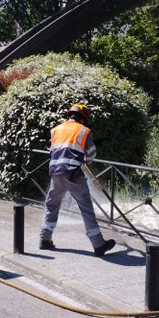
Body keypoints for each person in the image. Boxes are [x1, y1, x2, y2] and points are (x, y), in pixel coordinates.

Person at [38, 103, 116, 257]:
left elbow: (54, 150)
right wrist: (84, 159)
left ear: (70, 115)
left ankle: (44, 239)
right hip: (73, 174)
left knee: (51, 205)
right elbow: (91, 153)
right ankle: (98, 244)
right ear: (84, 118)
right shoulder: (84, 131)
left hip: (55, 172)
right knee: (85, 207)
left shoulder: (56, 129)